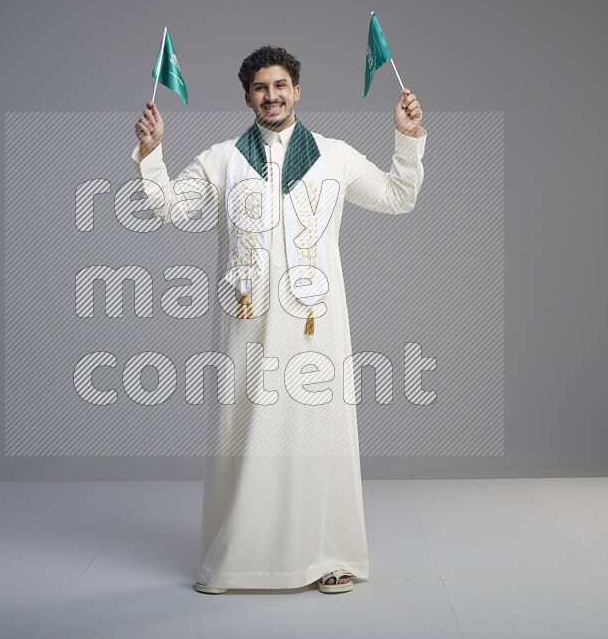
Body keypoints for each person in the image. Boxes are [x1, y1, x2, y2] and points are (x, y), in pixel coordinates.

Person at [132, 46, 425, 594]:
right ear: (248, 97)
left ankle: (329, 556)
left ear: (297, 90)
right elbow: (167, 207)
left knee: (321, 433)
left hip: (317, 324)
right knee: (245, 435)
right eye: (261, 88)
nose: (272, 95)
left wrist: (406, 139)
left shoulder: (333, 157)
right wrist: (151, 154)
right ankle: (237, 558)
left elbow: (397, 196)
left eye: (281, 85)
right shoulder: (223, 159)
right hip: (247, 324)